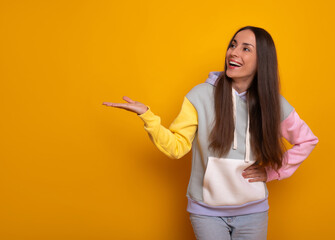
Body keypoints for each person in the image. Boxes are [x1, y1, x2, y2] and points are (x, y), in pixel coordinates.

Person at [103, 26, 319, 240]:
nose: (233, 52)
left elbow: (307, 140)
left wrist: (272, 172)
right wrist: (147, 117)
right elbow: (177, 148)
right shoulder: (200, 95)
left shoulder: (273, 103)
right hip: (206, 212)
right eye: (233, 45)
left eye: (246, 48)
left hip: (254, 211)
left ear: (262, 60)